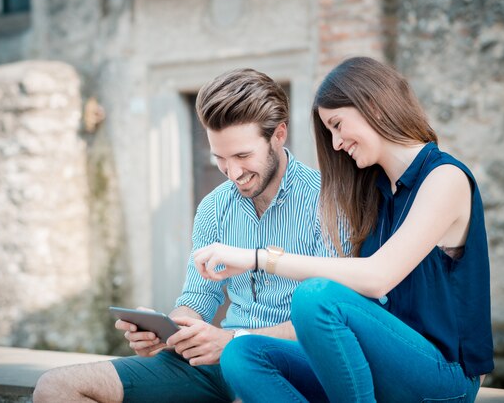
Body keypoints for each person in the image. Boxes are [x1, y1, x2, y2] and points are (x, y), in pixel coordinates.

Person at [194, 56, 494, 403]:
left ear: (374, 108)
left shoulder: (445, 178)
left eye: (337, 125)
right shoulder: (374, 191)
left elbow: (378, 277)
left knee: (314, 297)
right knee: (243, 355)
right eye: (329, 132)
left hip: (443, 376)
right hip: (377, 364)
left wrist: (259, 259)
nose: (336, 144)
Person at [33, 68, 335, 403]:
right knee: (56, 387)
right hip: (214, 365)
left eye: (243, 156)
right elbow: (197, 300)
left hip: (290, 369)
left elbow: (329, 323)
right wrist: (168, 331)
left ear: (278, 135)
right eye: (219, 158)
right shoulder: (213, 207)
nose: (233, 173)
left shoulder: (329, 202)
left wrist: (234, 339)